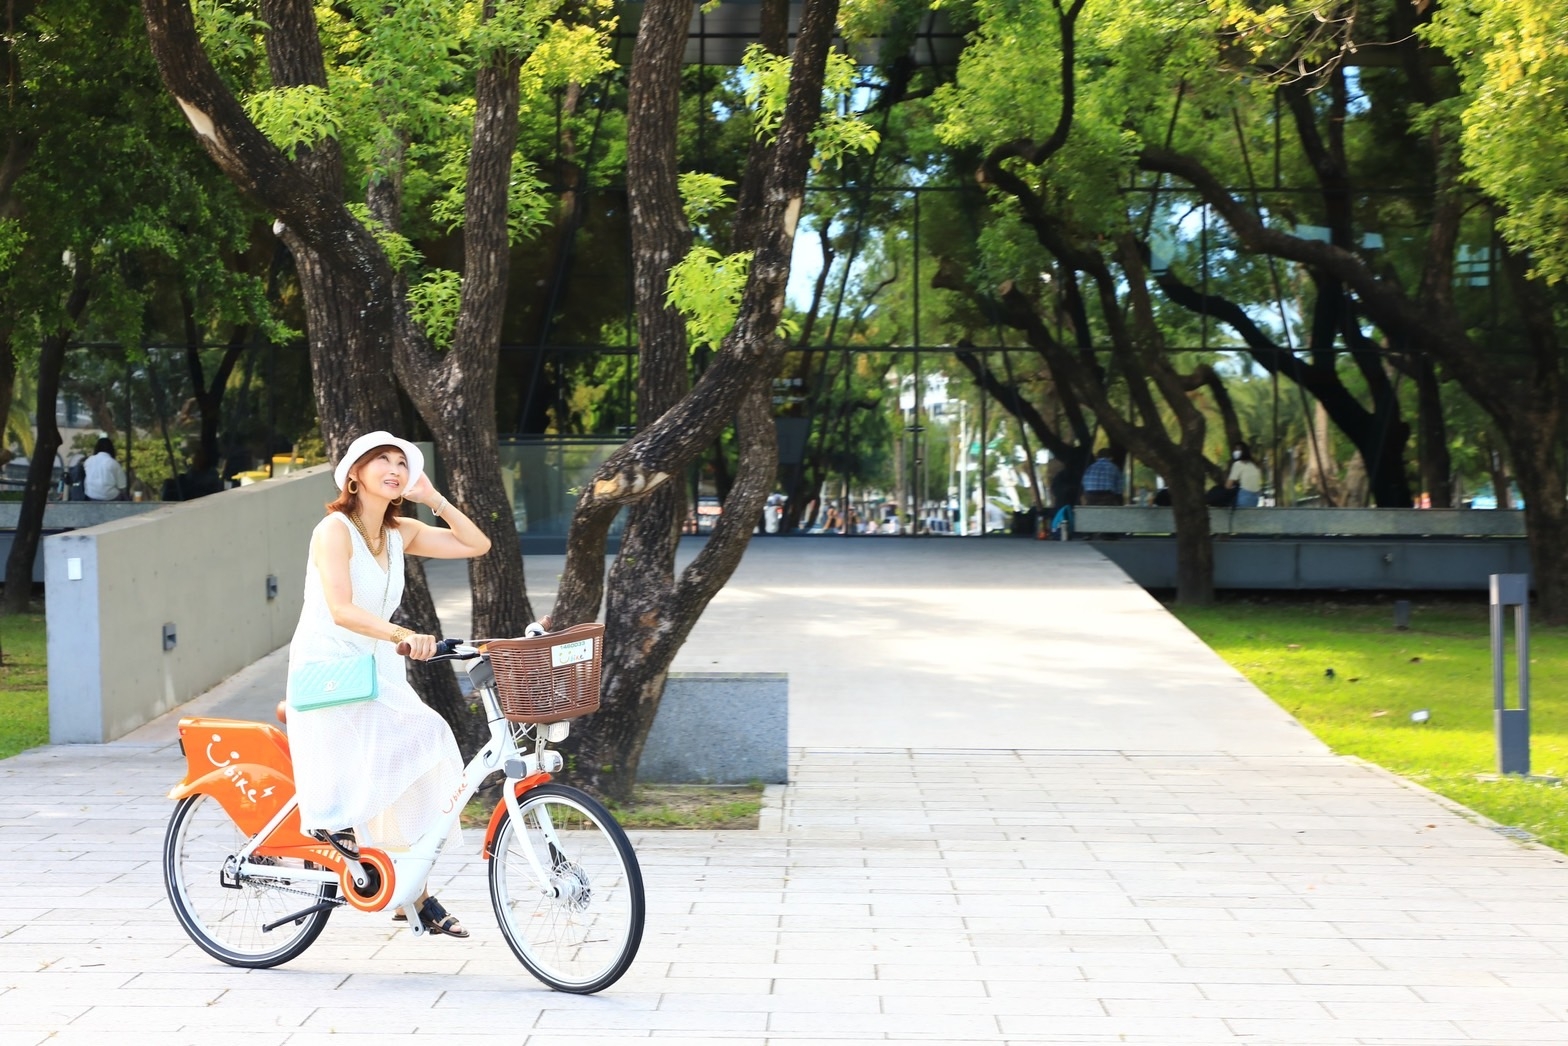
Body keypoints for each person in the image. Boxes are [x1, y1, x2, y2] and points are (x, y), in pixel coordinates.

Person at [286, 431, 492, 939]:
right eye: (381, 459)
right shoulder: (334, 529)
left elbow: (477, 544)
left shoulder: (401, 531)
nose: (394, 468)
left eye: (402, 462)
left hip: (377, 667)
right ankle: (370, 852)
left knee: (422, 752)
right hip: (331, 665)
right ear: (354, 473)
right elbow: (341, 609)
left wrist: (434, 498)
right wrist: (404, 633)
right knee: (418, 740)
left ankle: (408, 888)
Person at [82, 437, 127, 501]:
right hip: (110, 497)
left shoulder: (88, 460)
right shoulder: (113, 463)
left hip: (91, 495)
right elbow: (122, 486)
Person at [1227, 443, 1264, 507]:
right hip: (1255, 498)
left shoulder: (1238, 464)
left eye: (1237, 450)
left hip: (1244, 497)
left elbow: (1228, 485)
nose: (1235, 452)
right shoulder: (1254, 465)